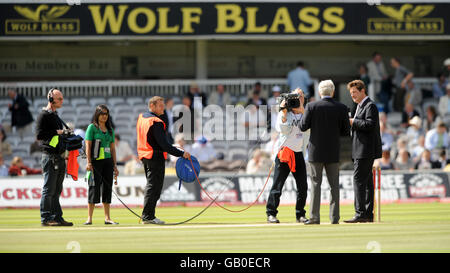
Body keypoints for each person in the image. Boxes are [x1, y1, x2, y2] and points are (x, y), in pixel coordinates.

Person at [300, 80, 350, 225]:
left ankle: (315, 217)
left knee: (316, 184)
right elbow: (346, 131)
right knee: (334, 186)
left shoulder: (311, 106)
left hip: (316, 151)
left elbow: (303, 127)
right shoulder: (341, 107)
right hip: (333, 151)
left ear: (320, 92)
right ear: (333, 92)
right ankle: (334, 218)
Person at [137, 96, 190, 224]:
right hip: (155, 156)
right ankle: (148, 216)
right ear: (152, 106)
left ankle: (148, 215)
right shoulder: (156, 121)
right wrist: (181, 154)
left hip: (144, 155)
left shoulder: (142, 118)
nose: (163, 108)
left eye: (163, 105)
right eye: (160, 106)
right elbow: (164, 145)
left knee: (152, 185)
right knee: (154, 187)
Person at [266, 88, 310, 224]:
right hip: (285, 152)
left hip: (298, 153)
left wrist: (302, 111)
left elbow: (309, 127)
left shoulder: (307, 112)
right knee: (277, 185)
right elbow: (282, 129)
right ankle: (271, 213)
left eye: (300, 96)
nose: (298, 99)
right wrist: (284, 113)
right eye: (296, 97)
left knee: (302, 185)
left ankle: (300, 214)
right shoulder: (284, 112)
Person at [344, 80, 382, 223]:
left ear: (362, 91)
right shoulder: (360, 106)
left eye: (354, 92)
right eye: (351, 93)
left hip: (365, 150)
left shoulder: (370, 105)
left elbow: (370, 125)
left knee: (359, 181)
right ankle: (366, 213)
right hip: (360, 149)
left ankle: (360, 213)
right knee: (366, 183)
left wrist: (352, 121)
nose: (352, 95)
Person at [35, 88, 73, 226]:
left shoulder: (55, 115)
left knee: (57, 190)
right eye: (60, 99)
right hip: (50, 156)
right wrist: (58, 132)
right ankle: (46, 218)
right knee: (49, 189)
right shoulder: (43, 115)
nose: (62, 101)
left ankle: (57, 217)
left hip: (59, 156)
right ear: (51, 100)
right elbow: (39, 135)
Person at [84, 105, 119, 225]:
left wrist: (115, 165)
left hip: (108, 162)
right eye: (102, 113)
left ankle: (107, 218)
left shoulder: (110, 130)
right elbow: (88, 146)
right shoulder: (92, 128)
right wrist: (88, 162)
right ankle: (89, 218)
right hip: (95, 162)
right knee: (93, 188)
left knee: (107, 189)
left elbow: (113, 149)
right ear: (97, 114)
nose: (104, 116)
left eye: (106, 114)